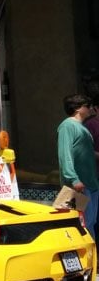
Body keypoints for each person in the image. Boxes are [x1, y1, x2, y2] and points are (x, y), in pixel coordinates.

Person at [57, 93, 99, 240]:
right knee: (77, 224)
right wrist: (73, 179)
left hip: (90, 184)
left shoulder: (81, 127)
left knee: (89, 223)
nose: (90, 109)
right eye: (87, 106)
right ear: (77, 108)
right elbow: (65, 154)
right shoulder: (67, 126)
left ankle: (91, 258)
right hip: (77, 186)